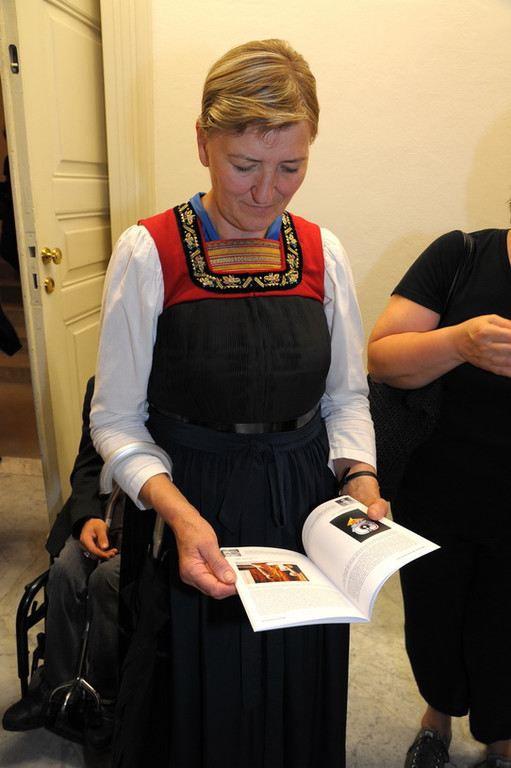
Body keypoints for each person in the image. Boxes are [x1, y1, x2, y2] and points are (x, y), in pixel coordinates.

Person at [90, 38, 387, 768]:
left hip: (301, 502)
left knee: (296, 680)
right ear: (202, 142)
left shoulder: (323, 254)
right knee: (199, 693)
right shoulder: (149, 252)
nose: (266, 192)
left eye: (291, 167)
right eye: (244, 165)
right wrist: (179, 514)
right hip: (191, 502)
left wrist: (359, 477)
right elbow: (116, 419)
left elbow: (345, 397)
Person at [367, 224, 511, 768]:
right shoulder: (462, 255)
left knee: (505, 629)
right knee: (434, 617)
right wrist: (458, 342)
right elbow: (382, 359)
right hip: (436, 492)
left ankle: (502, 739)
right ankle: (437, 717)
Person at [2, 377, 122, 754]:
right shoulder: (100, 384)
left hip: (154, 521)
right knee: (66, 569)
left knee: (107, 581)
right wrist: (87, 517)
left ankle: (104, 703)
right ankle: (52, 689)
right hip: (103, 508)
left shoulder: (179, 384)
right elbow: (87, 465)